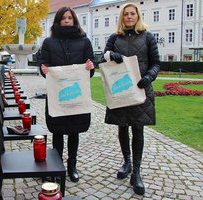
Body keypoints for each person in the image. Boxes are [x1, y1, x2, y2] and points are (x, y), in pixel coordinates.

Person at [103, 3, 160, 195]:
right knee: (122, 126)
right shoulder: (114, 37)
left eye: (132, 14)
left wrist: (149, 76)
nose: (129, 17)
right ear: (122, 17)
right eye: (126, 14)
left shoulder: (148, 36)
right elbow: (104, 56)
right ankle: (126, 162)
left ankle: (136, 172)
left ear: (137, 16)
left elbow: (156, 63)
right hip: (120, 90)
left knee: (138, 129)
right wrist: (111, 54)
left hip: (140, 89)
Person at [38, 6, 95, 182]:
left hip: (77, 95)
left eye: (70, 18)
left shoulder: (84, 42)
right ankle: (57, 165)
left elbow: (90, 67)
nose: (67, 21)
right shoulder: (49, 42)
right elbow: (42, 63)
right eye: (63, 18)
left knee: (74, 132)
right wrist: (43, 69)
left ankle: (72, 166)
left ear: (74, 20)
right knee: (57, 131)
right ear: (58, 21)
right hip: (58, 94)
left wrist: (90, 67)